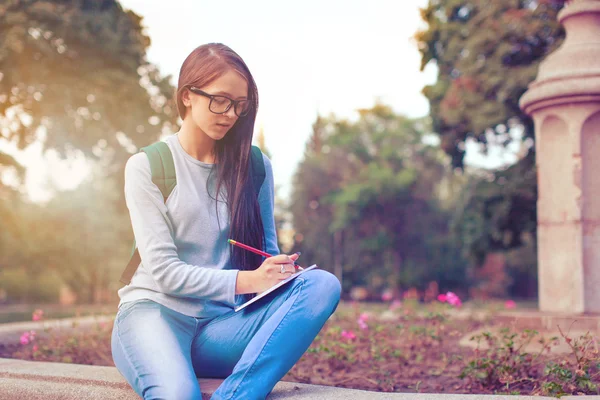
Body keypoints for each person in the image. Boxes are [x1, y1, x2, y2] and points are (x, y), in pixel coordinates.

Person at [111, 43, 342, 400]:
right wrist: (250, 279)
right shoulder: (148, 166)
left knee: (321, 285)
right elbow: (164, 272)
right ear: (188, 95)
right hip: (154, 315)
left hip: (221, 329)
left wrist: (276, 272)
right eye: (220, 100)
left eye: (240, 104)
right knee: (177, 395)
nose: (231, 114)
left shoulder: (254, 167)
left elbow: (265, 252)